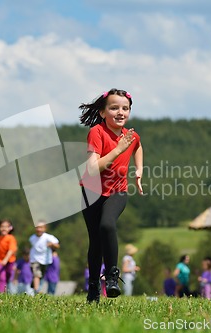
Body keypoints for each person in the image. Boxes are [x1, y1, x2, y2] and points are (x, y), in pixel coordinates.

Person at [79, 88, 143, 303]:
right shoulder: (96, 132)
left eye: (125, 108)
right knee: (95, 242)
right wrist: (117, 150)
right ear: (102, 112)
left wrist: (139, 169)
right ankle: (93, 288)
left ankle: (112, 277)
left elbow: (137, 146)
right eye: (114, 107)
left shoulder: (130, 136)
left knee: (107, 225)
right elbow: (92, 169)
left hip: (117, 190)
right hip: (91, 191)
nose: (120, 112)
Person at [29, 220, 60, 293]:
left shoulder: (48, 237)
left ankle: (35, 285)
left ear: (44, 229)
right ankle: (36, 291)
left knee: (41, 276)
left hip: (45, 260)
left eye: (41, 227)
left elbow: (57, 245)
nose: (39, 229)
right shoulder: (32, 238)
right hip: (34, 259)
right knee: (36, 274)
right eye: (37, 227)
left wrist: (51, 244)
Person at [0, 219, 18, 293]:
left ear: (10, 228)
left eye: (6, 227)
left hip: (10, 260)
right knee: (2, 277)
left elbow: (11, 250)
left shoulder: (11, 238)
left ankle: (8, 288)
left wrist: (6, 259)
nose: (4, 228)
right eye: (2, 226)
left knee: (9, 275)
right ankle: (1, 293)